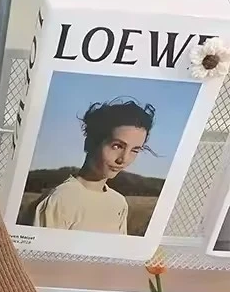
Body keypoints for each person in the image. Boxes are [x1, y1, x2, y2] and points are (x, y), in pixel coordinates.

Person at [34, 98, 156, 234]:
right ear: (90, 143)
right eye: (117, 146)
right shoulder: (59, 200)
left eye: (134, 150)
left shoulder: (119, 203)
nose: (123, 159)